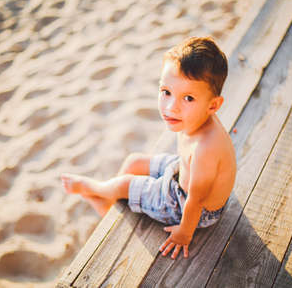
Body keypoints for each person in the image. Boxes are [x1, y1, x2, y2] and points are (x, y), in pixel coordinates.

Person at [61, 36, 236, 260]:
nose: (172, 107)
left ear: (213, 105)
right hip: (182, 174)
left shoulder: (206, 149)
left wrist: (184, 233)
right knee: (135, 161)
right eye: (166, 92)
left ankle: (97, 189)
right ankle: (112, 204)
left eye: (188, 98)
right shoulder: (197, 118)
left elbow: (196, 200)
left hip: (191, 208)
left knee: (126, 183)